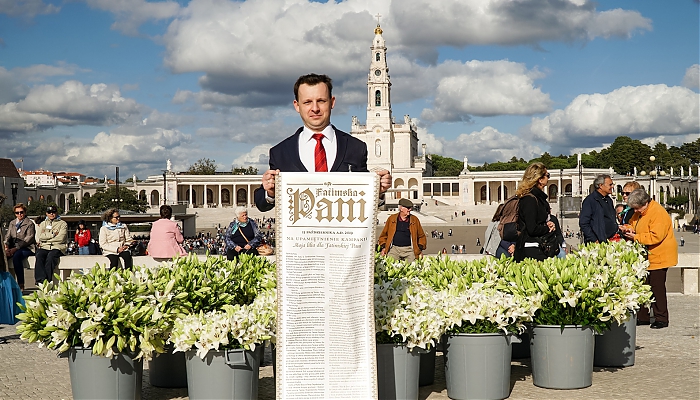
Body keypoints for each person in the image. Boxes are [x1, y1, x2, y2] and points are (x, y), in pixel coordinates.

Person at [254, 74, 391, 212]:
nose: (315, 108)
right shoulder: (280, 152)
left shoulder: (355, 148)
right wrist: (270, 192)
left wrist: (378, 191)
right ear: (297, 105)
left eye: (321, 101)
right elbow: (261, 203)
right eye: (307, 102)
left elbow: (364, 198)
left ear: (332, 102)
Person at [621, 189, 677, 329]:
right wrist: (628, 228)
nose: (636, 211)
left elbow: (656, 236)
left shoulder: (657, 213)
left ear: (645, 203)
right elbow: (634, 223)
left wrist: (636, 237)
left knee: (657, 288)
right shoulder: (641, 211)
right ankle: (643, 316)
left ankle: (662, 318)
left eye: (637, 208)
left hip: (659, 256)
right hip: (646, 257)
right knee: (643, 286)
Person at [513, 162, 557, 262]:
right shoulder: (530, 199)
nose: (548, 178)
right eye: (547, 175)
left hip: (537, 245)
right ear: (540, 179)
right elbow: (532, 228)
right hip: (531, 248)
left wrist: (546, 224)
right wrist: (547, 228)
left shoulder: (537, 198)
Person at [378, 198, 427, 263]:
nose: (410, 209)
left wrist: (419, 249)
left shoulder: (414, 220)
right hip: (394, 249)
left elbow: (421, 236)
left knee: (413, 267)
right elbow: (384, 235)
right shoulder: (392, 219)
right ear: (401, 208)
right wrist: (384, 247)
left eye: (410, 208)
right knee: (389, 264)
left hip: (409, 249)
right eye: (408, 208)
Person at [3, 203, 36, 291]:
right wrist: (6, 247)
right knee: (2, 257)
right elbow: (7, 236)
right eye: (17, 213)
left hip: (27, 247)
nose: (19, 214)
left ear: (25, 212)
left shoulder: (29, 223)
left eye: (21, 212)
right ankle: (5, 284)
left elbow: (28, 239)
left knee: (17, 257)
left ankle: (21, 284)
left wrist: (15, 248)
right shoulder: (12, 223)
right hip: (12, 247)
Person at [579, 174, 618, 244]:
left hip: (610, 240)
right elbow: (584, 223)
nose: (612, 186)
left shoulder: (609, 200)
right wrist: (594, 239)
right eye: (610, 184)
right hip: (598, 242)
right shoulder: (590, 201)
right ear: (600, 186)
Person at [34, 205, 67, 284]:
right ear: (46, 213)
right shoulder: (43, 224)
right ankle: (40, 280)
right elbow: (40, 237)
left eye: (53, 212)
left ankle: (47, 280)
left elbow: (61, 238)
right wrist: (53, 234)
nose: (51, 214)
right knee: (39, 255)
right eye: (49, 212)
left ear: (56, 213)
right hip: (45, 247)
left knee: (51, 257)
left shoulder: (63, 224)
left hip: (57, 247)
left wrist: (46, 238)